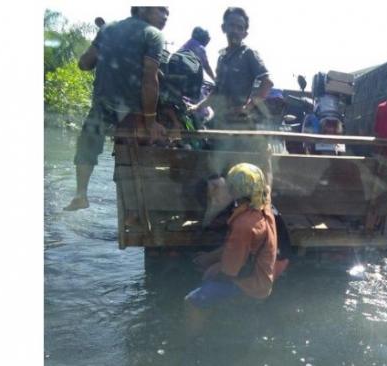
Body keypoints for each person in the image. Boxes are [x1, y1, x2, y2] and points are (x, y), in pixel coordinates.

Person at [64, 7, 169, 211]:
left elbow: (85, 63)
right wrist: (150, 121)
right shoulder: (153, 35)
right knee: (129, 157)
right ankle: (130, 210)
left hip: (102, 105)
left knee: (88, 144)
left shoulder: (108, 29)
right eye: (161, 10)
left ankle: (81, 195)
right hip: (132, 110)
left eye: (167, 13)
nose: (165, 16)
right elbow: (150, 78)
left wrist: (111, 51)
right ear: (143, 8)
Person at [184, 163, 278, 333]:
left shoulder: (243, 225)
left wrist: (211, 268)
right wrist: (267, 160)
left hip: (250, 286)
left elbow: (230, 271)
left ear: (236, 191)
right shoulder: (264, 205)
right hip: (263, 277)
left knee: (191, 301)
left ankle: (193, 344)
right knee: (210, 270)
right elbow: (268, 186)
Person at [193, 7, 274, 134]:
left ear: (245, 33)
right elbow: (217, 90)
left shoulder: (248, 54)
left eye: (240, 28)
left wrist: (247, 108)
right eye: (231, 26)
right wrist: (198, 107)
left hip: (240, 124)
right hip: (221, 121)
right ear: (223, 28)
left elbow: (268, 83)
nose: (235, 31)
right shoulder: (222, 57)